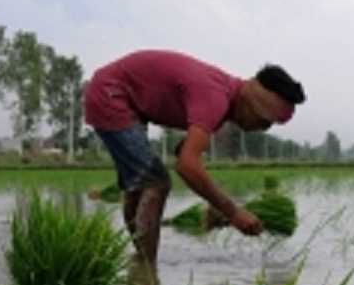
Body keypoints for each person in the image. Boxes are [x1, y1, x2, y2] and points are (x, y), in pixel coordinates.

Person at [84, 49, 305, 262]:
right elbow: (186, 165)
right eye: (263, 121)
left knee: (140, 185)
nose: (261, 128)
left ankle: (140, 264)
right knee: (155, 183)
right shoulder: (216, 99)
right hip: (111, 94)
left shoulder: (224, 103)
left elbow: (181, 153)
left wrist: (219, 208)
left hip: (118, 94)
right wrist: (232, 212)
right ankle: (147, 268)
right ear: (252, 101)